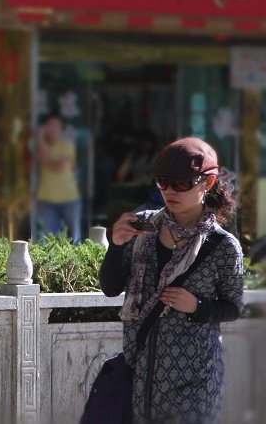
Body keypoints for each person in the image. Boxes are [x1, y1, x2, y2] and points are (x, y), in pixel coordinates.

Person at [100, 137, 244, 424]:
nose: (169, 191)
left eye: (182, 183)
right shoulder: (142, 227)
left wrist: (197, 306)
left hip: (195, 384)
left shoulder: (223, 246)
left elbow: (233, 307)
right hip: (142, 377)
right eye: (163, 182)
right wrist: (115, 244)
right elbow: (111, 288)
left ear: (209, 182)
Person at [36, 112, 82, 243]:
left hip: (69, 197)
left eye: (57, 126)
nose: (53, 129)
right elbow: (43, 159)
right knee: (48, 240)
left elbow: (57, 166)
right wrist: (39, 138)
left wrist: (49, 161)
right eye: (50, 126)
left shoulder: (66, 144)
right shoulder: (40, 145)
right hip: (47, 198)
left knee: (74, 239)